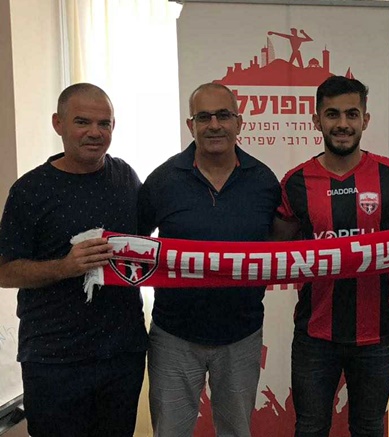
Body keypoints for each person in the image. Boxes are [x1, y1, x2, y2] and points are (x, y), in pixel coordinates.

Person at [272, 75, 389, 437]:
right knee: (311, 428)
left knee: (369, 429)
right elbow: (272, 252)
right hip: (314, 335)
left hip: (375, 335)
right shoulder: (295, 182)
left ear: (365, 120)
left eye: (352, 114)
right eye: (332, 114)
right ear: (317, 120)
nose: (342, 124)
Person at [0, 83, 148, 436]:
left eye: (104, 123)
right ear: (58, 123)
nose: (95, 132)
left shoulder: (125, 177)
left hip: (121, 355)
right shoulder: (30, 190)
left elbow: (146, 244)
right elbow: (4, 271)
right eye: (83, 122)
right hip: (54, 360)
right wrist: (64, 267)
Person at [138, 83, 280, 436]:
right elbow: (133, 247)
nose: (214, 125)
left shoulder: (264, 181)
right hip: (174, 335)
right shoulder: (162, 180)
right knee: (170, 432)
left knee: (236, 431)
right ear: (191, 125)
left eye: (223, 116)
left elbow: (281, 248)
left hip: (242, 335)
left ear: (239, 122)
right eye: (204, 117)